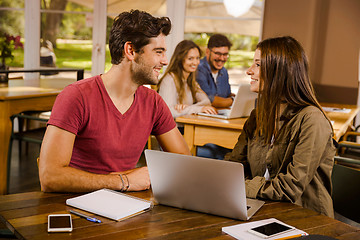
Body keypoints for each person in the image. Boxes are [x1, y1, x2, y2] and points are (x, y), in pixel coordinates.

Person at [39, 10, 190, 193]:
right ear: (131, 51)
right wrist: (124, 181)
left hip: (126, 206)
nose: (165, 61)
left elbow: (184, 161)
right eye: (158, 52)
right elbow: (50, 177)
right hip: (74, 206)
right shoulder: (76, 96)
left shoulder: (154, 103)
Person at [224, 36, 336, 217]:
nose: (249, 71)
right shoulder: (258, 115)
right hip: (263, 209)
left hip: (305, 219)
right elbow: (234, 165)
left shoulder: (312, 120)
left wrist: (235, 186)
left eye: (258, 65)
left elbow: (290, 188)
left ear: (280, 71)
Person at [158, 40, 216, 133]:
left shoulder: (191, 82)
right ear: (180, 59)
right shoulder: (169, 80)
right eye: (190, 58)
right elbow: (168, 112)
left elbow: (206, 102)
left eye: (197, 58)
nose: (196, 62)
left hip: (186, 130)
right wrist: (198, 109)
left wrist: (187, 108)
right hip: (171, 133)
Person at [196, 34, 234, 108]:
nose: (222, 58)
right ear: (207, 52)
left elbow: (227, 95)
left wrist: (239, 98)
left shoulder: (224, 71)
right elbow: (209, 100)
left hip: (219, 114)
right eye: (218, 53)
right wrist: (233, 101)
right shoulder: (199, 69)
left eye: (225, 54)